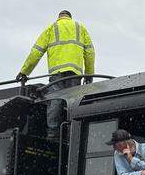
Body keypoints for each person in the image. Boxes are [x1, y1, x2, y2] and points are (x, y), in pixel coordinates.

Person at [16, 10, 95, 140]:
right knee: (73, 101)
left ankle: (53, 134)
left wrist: (25, 71)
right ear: (70, 17)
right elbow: (90, 53)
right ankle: (72, 133)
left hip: (56, 72)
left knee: (55, 100)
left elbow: (36, 52)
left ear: (59, 18)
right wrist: (89, 74)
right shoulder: (80, 28)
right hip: (75, 73)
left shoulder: (51, 28)